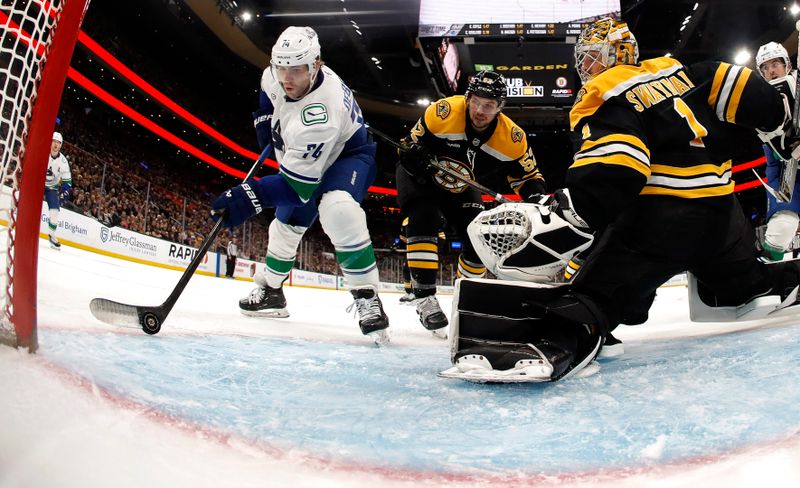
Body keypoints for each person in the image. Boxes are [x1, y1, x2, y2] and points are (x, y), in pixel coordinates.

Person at [445, 17, 800, 382]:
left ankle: (553, 341)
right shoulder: (677, 68)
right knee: (747, 282)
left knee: (598, 293)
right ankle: (767, 284)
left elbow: (619, 169)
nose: (585, 67)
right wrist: (780, 122)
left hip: (662, 218)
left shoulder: (603, 91)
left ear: (616, 53)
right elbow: (741, 84)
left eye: (591, 57)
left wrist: (574, 209)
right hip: (725, 216)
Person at [211, 26, 390, 345]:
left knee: (338, 209)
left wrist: (247, 198)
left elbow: (297, 188)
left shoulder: (320, 114)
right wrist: (265, 120)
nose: (287, 78)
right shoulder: (275, 74)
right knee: (286, 225)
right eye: (281, 68)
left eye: (296, 70)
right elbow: (267, 92)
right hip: (307, 156)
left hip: (346, 156)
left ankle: (366, 296)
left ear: (316, 65)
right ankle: (271, 291)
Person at [397, 70, 546, 335]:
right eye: (476, 101)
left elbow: (528, 178)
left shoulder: (513, 139)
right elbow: (407, 147)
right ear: (467, 98)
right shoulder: (442, 112)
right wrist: (414, 156)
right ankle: (423, 297)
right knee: (424, 217)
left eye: (488, 105)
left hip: (462, 185)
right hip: (421, 178)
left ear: (500, 107)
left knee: (479, 236)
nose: (479, 110)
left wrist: (537, 199)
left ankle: (465, 298)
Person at [754, 41, 800, 261]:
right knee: (780, 229)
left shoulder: (796, 83)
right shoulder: (758, 99)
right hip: (784, 168)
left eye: (775, 64)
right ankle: (771, 273)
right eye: (765, 67)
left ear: (787, 65)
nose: (771, 71)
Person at [44, 131, 72, 249]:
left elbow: (67, 181)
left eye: (58, 142)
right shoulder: (42, 152)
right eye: (54, 141)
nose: (56, 144)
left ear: (61, 145)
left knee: (55, 212)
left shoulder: (64, 162)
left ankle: (52, 235)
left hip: (52, 188)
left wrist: (64, 192)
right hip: (37, 184)